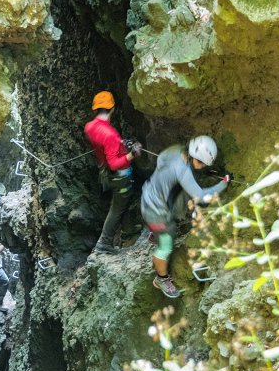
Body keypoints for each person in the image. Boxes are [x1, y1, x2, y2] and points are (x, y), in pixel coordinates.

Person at [141, 136, 229, 298]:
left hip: (149, 195)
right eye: (201, 163)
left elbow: (161, 160)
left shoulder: (176, 150)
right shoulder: (182, 170)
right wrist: (223, 183)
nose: (202, 167)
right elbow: (201, 197)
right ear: (194, 157)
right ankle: (160, 279)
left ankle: (156, 233)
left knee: (180, 198)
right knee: (166, 246)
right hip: (155, 211)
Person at [84, 90, 142, 254]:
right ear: (112, 108)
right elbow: (115, 163)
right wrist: (131, 154)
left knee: (122, 200)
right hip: (119, 175)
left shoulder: (90, 127)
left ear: (95, 110)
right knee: (117, 207)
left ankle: (128, 229)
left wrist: (121, 144)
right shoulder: (110, 135)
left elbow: (105, 145)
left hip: (105, 173)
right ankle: (105, 243)